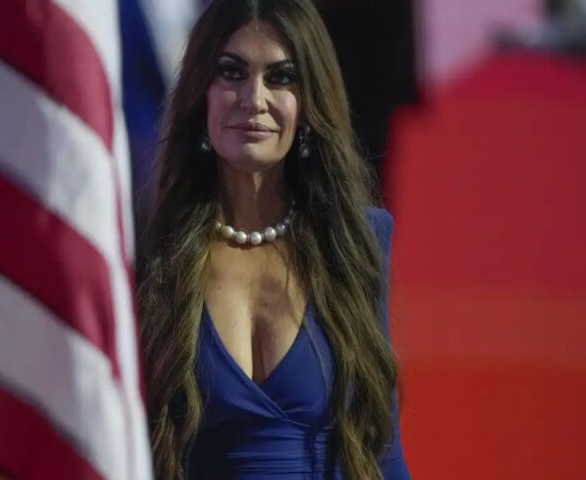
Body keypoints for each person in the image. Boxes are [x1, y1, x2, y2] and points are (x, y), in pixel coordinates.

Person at [136, 1, 411, 478]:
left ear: (307, 103)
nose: (254, 99)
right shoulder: (154, 252)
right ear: (201, 93)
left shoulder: (356, 240)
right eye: (231, 72)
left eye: (280, 78)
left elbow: (382, 451)